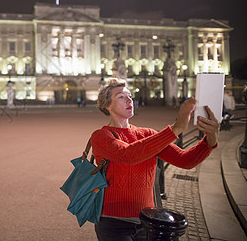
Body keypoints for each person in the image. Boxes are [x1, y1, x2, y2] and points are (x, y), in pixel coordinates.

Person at [91, 78, 219, 240]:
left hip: (148, 220)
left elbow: (185, 161)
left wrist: (210, 141)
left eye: (130, 96)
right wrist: (176, 128)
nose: (129, 99)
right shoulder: (101, 136)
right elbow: (129, 155)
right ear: (107, 105)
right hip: (113, 222)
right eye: (121, 97)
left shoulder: (148, 134)